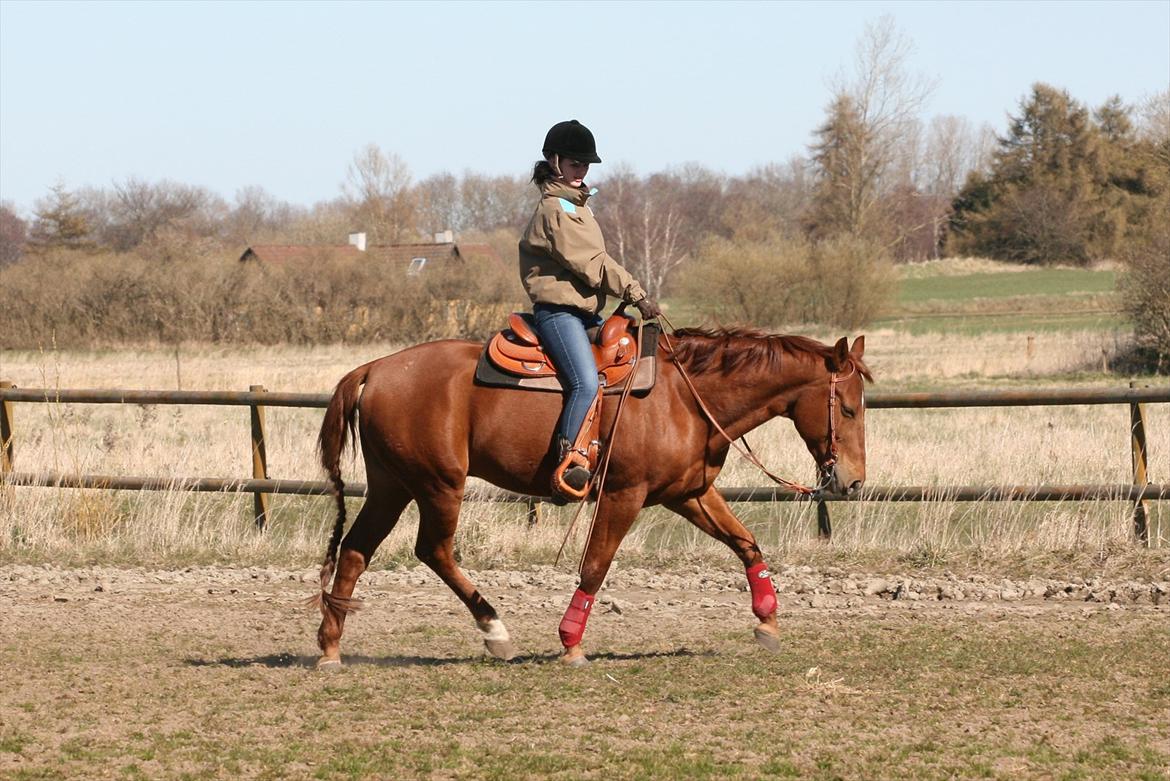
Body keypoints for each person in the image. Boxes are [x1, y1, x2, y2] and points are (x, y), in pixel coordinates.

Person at [518, 119, 661, 501]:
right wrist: (635, 291)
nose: (582, 170)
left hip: (584, 314)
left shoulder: (577, 205)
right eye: (575, 163)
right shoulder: (557, 209)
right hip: (559, 313)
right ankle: (570, 463)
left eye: (586, 165)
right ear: (554, 161)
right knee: (585, 381)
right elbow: (592, 263)